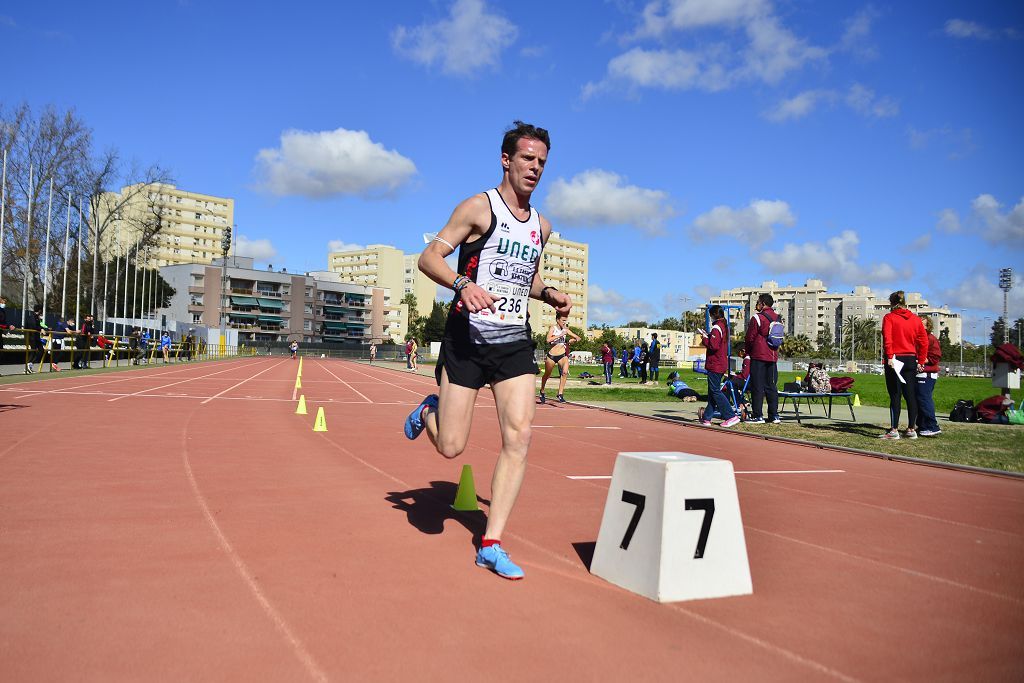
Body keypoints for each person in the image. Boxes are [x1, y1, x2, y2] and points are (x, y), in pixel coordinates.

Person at [403, 120, 570, 581]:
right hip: (466, 339)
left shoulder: (542, 226)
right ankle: (428, 412)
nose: (534, 168)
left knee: (519, 436)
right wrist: (462, 285)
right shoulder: (479, 207)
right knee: (451, 449)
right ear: (506, 159)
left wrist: (549, 292)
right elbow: (429, 257)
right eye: (527, 159)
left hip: (513, 341)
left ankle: (491, 543)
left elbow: (524, 276)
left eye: (541, 162)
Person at [880, 290, 928, 439]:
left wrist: (889, 357)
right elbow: (923, 341)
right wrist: (921, 360)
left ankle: (894, 430)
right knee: (910, 395)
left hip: (895, 359)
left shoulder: (889, 318)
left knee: (895, 395)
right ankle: (911, 429)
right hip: (910, 359)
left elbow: (888, 339)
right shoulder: (915, 319)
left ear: (892, 303)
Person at [698, 305, 740, 427]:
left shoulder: (717, 327)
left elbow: (713, 346)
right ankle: (707, 417)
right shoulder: (724, 326)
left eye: (710, 315)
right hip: (720, 363)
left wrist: (705, 339)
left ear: (713, 315)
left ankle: (730, 416)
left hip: (715, 363)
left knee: (715, 391)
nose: (710, 318)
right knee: (712, 391)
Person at [745, 293, 781, 424]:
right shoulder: (778, 317)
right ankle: (774, 415)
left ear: (763, 303)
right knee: (771, 386)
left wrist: (748, 351)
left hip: (759, 355)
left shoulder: (757, 317)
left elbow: (750, 337)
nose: (757, 305)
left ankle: (758, 415)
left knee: (757, 386)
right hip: (772, 356)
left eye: (758, 302)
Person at [539, 312, 581, 403]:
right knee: (547, 375)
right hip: (552, 356)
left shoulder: (566, 330)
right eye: (563, 320)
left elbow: (578, 338)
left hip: (562, 355)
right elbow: (548, 340)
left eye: (566, 320)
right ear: (558, 320)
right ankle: (542, 391)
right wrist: (560, 335)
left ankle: (560, 393)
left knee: (565, 372)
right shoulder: (553, 328)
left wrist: (572, 340)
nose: (564, 322)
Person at [915, 317, 943, 437]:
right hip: (919, 373)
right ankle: (922, 426)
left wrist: (920, 361)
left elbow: (935, 358)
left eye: (923, 324)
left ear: (927, 327)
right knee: (919, 400)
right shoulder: (917, 338)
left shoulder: (931, 339)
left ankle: (932, 426)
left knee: (924, 399)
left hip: (927, 374)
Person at [24, 306, 45, 374]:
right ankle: (27, 367)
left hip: (36, 337)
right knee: (33, 351)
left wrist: (45, 329)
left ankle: (30, 364)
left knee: (41, 350)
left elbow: (38, 326)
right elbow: (33, 326)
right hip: (31, 337)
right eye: (41, 311)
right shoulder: (32, 317)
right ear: (39, 310)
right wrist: (41, 329)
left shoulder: (36, 317)